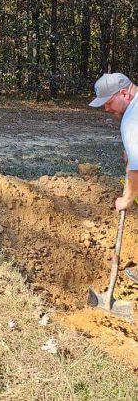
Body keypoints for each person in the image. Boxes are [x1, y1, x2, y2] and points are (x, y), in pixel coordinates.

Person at [90, 72, 138, 283]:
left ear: (124, 93)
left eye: (109, 102)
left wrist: (127, 198)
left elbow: (136, 168)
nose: (107, 109)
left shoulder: (131, 119)